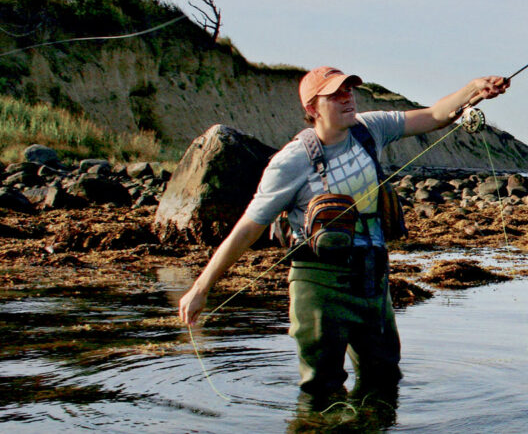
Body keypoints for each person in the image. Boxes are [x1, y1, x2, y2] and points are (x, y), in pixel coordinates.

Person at [178, 66, 509, 400]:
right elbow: (250, 226)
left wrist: (474, 89)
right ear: (311, 108)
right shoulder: (291, 161)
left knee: (383, 381)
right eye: (335, 94)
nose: (347, 97)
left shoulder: (370, 129)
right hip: (318, 285)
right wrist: (201, 288)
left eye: (349, 90)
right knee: (320, 390)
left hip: (372, 279)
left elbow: (435, 116)